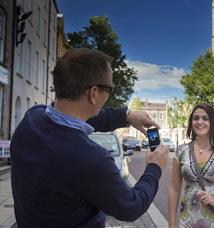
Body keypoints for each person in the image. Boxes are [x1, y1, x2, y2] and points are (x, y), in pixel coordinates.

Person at [10, 48, 169, 227]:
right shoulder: (91, 159)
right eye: (109, 89)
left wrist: (126, 116)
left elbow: (74, 115)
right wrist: (154, 167)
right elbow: (131, 207)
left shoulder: (31, 119)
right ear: (93, 93)